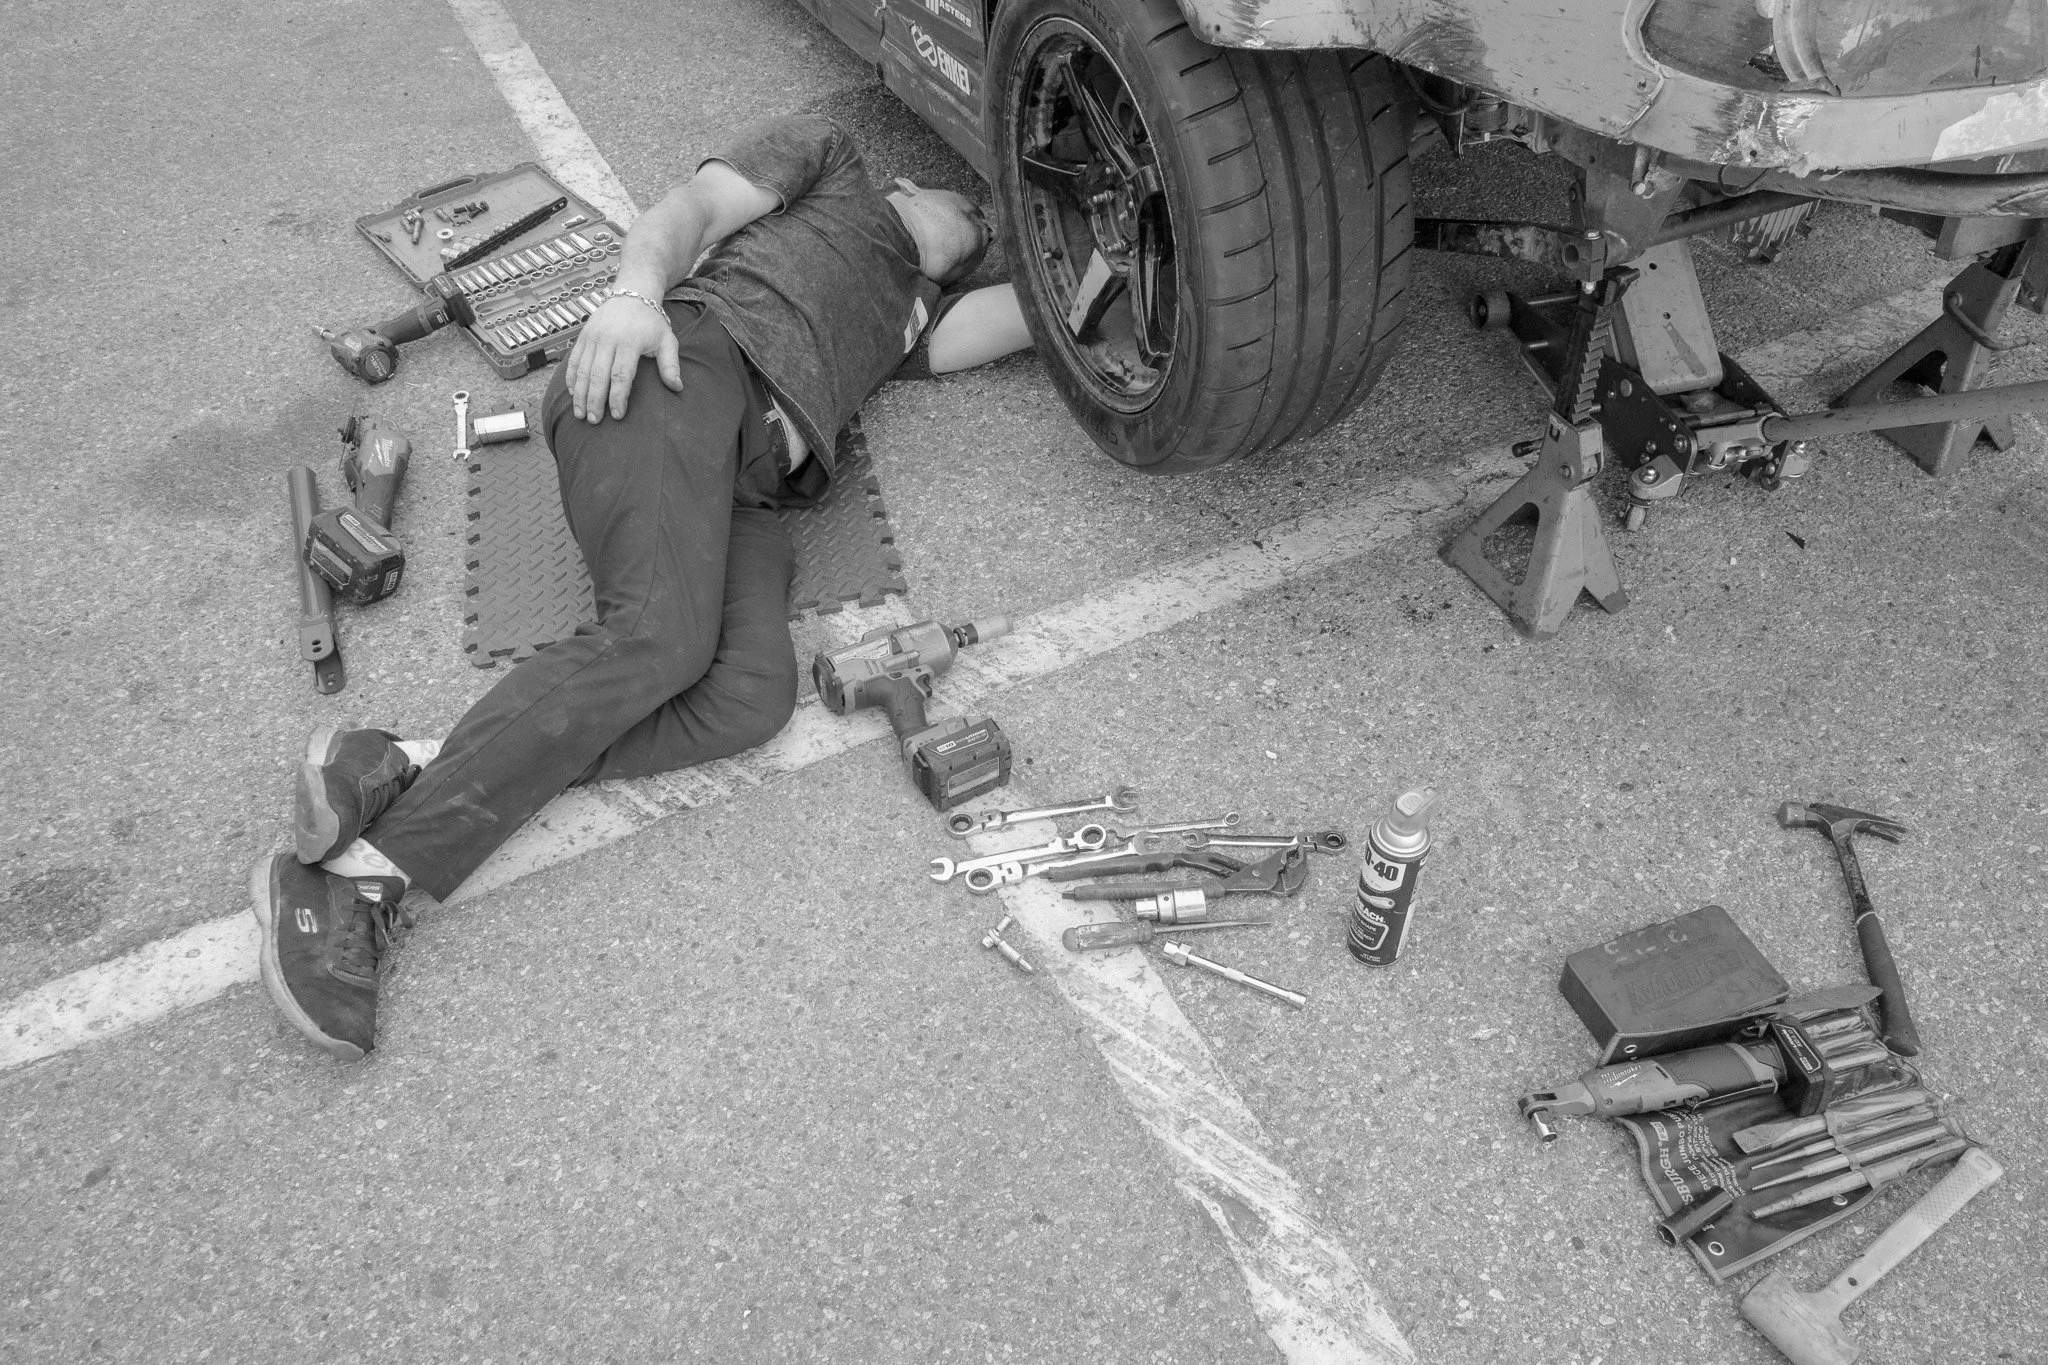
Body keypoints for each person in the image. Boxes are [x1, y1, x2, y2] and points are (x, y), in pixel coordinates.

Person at [252, 114, 1034, 1060]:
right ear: (912, 190)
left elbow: (1040, 317)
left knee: (752, 698)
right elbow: (695, 206)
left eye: (985, 241)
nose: (979, 227)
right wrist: (633, 295)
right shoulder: (837, 164)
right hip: (677, 373)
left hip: (747, 485)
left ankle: (397, 761)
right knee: (659, 636)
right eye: (971, 206)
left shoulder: (915, 316)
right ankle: (358, 879)